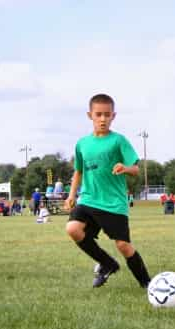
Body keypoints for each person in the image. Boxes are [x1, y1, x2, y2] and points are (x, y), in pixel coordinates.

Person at [64, 93, 151, 288]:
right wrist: (71, 195)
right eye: (98, 114)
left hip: (113, 203)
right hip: (88, 199)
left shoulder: (119, 141)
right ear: (90, 115)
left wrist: (125, 168)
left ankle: (147, 284)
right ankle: (107, 264)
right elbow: (78, 171)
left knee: (123, 245)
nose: (103, 119)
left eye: (107, 115)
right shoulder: (82, 144)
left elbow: (136, 169)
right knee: (73, 229)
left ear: (113, 116)